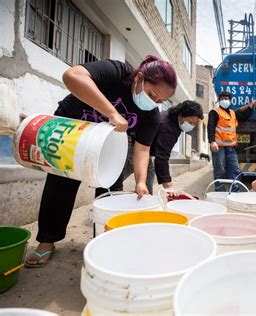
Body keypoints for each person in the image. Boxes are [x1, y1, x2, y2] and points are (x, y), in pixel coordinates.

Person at [25, 56, 177, 267]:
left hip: (107, 143)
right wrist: (112, 113)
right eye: (152, 94)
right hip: (74, 129)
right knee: (62, 183)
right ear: (140, 78)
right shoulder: (118, 72)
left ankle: (103, 238)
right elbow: (72, 76)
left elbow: (142, 149)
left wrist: (141, 181)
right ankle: (46, 241)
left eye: (160, 101)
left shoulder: (150, 115)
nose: (154, 102)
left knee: (111, 189)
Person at [105, 100, 204, 196]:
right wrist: (168, 186)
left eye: (194, 124)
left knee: (141, 173)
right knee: (120, 175)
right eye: (190, 121)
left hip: (141, 147)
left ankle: (140, 196)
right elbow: (162, 156)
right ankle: (111, 195)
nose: (191, 125)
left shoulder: (174, 120)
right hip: (134, 145)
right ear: (181, 115)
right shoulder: (168, 126)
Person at [207, 91, 254, 191]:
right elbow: (210, 127)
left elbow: (244, 117)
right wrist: (212, 141)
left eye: (226, 98)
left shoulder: (233, 113)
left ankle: (235, 191)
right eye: (222, 99)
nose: (224, 100)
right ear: (219, 101)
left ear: (230, 100)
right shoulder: (215, 112)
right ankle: (219, 191)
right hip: (219, 147)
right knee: (219, 169)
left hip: (231, 148)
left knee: (235, 169)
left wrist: (250, 106)